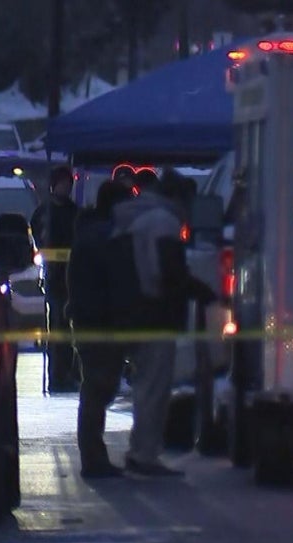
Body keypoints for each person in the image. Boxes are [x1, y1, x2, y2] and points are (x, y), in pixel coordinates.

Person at [110, 168, 216, 476]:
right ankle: (145, 455)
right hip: (156, 312)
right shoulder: (164, 222)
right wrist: (201, 291)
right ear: (179, 198)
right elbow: (170, 271)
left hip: (135, 310)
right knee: (154, 388)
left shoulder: (141, 217)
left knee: (145, 386)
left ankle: (140, 451)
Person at [66, 180, 136, 479]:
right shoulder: (108, 236)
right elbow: (119, 283)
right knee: (98, 387)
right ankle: (94, 458)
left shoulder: (88, 232)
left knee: (96, 386)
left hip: (88, 319)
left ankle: (93, 455)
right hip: (103, 321)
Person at [30, 165, 80, 392]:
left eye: (68, 184)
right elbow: (41, 241)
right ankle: (57, 376)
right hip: (54, 278)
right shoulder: (44, 212)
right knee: (58, 327)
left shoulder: (74, 211)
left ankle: (70, 373)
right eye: (62, 183)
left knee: (71, 330)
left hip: (73, 277)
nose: (66, 188)